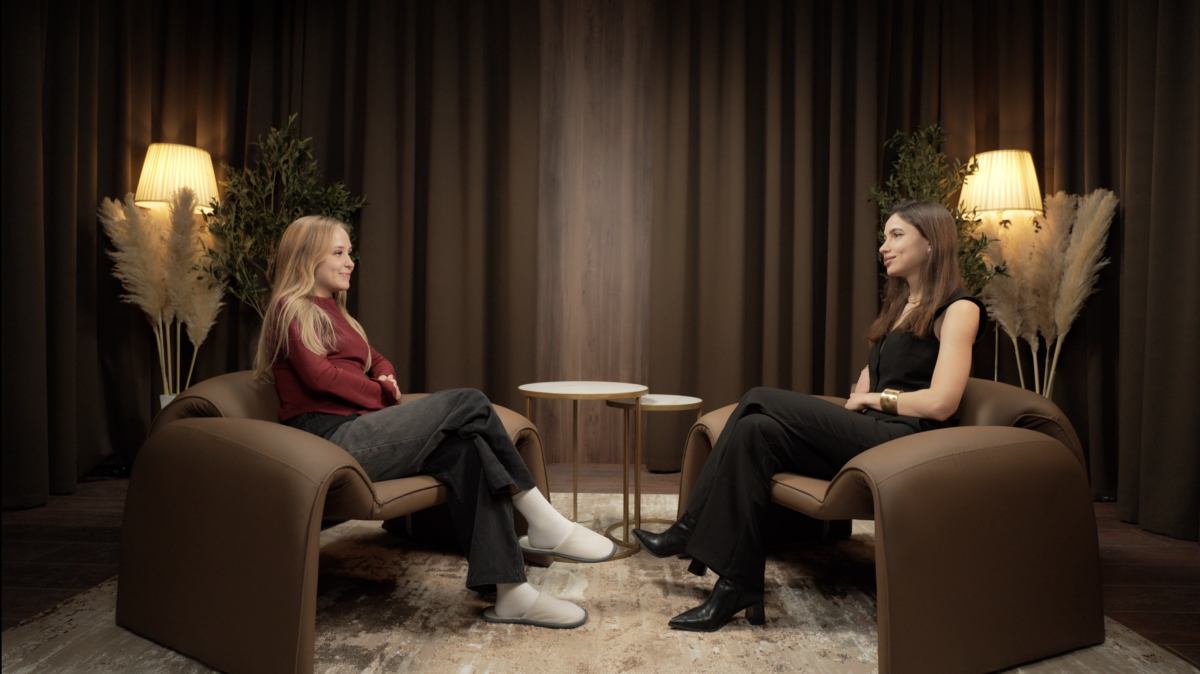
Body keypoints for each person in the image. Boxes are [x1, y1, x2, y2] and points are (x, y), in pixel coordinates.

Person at [632, 200, 984, 632]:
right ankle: (738, 585)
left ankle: (690, 526)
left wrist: (878, 399)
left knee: (758, 397)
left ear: (931, 243)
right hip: (875, 429)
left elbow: (943, 402)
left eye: (897, 236)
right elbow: (885, 372)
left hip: (906, 443)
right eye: (884, 237)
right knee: (755, 431)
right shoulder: (902, 306)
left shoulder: (959, 309)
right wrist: (868, 381)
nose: (883, 247)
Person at [253, 215, 615, 629]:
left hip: (364, 431)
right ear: (307, 258)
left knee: (468, 451)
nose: (350, 261)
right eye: (338, 253)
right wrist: (380, 392)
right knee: (470, 401)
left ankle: (510, 591)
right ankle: (543, 519)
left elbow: (377, 360)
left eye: (349, 252)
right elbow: (321, 377)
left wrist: (383, 376)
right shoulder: (288, 309)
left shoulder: (338, 313)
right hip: (328, 442)